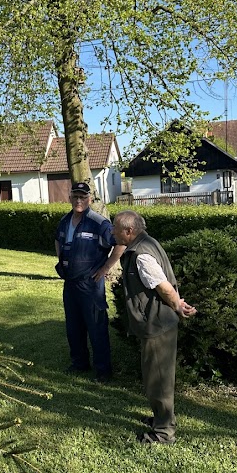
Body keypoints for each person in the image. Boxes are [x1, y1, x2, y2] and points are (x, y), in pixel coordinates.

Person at [113, 210, 196, 444]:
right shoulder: (147, 243)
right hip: (158, 322)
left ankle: (163, 432)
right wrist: (177, 304)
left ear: (129, 231)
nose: (112, 232)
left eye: (115, 228)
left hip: (157, 325)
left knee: (158, 381)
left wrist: (177, 305)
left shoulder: (141, 255)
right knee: (157, 378)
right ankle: (161, 418)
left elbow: (163, 286)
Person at [55, 182, 126, 382]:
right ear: (70, 197)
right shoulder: (65, 220)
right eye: (75, 196)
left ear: (90, 199)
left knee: (96, 327)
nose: (79, 200)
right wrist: (61, 260)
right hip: (70, 283)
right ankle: (79, 363)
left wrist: (106, 268)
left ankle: (103, 370)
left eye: (83, 197)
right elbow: (58, 239)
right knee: (73, 327)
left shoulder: (98, 222)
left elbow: (121, 242)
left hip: (90, 284)